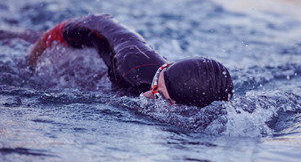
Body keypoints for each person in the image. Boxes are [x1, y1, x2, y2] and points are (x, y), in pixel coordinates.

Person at [28, 14, 233, 107]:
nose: (146, 95)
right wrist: (33, 57)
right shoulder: (131, 66)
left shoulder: (215, 109)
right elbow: (96, 22)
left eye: (160, 96)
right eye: (155, 85)